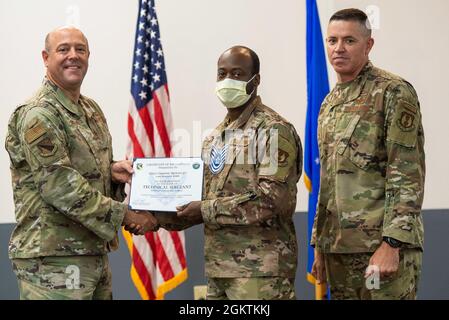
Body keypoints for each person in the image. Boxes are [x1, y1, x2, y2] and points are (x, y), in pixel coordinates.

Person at [5, 26, 158, 300]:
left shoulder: (91, 110)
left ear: (89, 56)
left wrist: (111, 173)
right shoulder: (39, 114)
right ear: (46, 57)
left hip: (91, 253)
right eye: (63, 49)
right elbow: (60, 185)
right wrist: (125, 215)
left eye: (80, 49)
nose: (73, 56)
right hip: (51, 261)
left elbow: (79, 170)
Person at [156, 45, 302, 300]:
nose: (227, 81)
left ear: (255, 81)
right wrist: (156, 212)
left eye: (237, 74)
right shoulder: (215, 137)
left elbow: (271, 200)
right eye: (222, 74)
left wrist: (204, 209)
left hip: (260, 273)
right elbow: (201, 199)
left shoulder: (273, 131)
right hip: (218, 270)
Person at [310, 8, 425, 300]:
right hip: (339, 252)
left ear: (368, 45)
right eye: (332, 40)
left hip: (379, 251)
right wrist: (320, 245)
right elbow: (326, 181)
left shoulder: (392, 92)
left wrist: (392, 243)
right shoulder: (329, 103)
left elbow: (406, 172)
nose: (338, 48)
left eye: (349, 40)